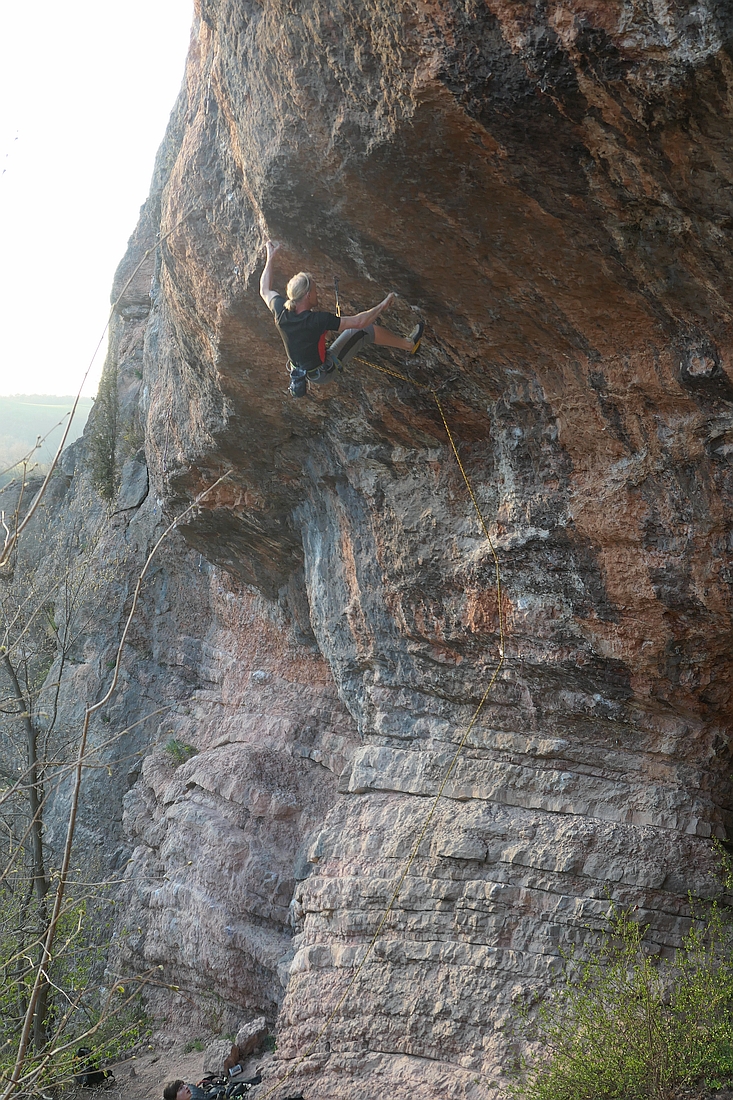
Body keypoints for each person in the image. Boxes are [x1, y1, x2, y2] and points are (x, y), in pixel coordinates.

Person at [259, 240, 424, 398]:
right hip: (322, 371)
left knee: (335, 333)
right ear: (308, 295)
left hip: (302, 369)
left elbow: (264, 289)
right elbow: (359, 322)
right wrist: (381, 306)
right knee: (363, 331)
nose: (318, 294)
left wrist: (270, 257)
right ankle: (409, 345)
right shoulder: (316, 320)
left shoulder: (281, 310)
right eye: (315, 291)